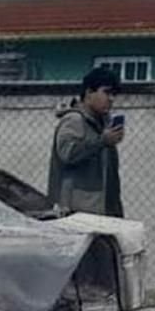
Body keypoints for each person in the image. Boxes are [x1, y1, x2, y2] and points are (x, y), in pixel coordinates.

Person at [47, 67, 125, 217]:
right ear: (89, 93)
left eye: (114, 94)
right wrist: (102, 141)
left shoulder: (103, 124)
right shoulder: (74, 120)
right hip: (77, 210)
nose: (111, 99)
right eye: (106, 92)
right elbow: (68, 154)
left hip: (102, 208)